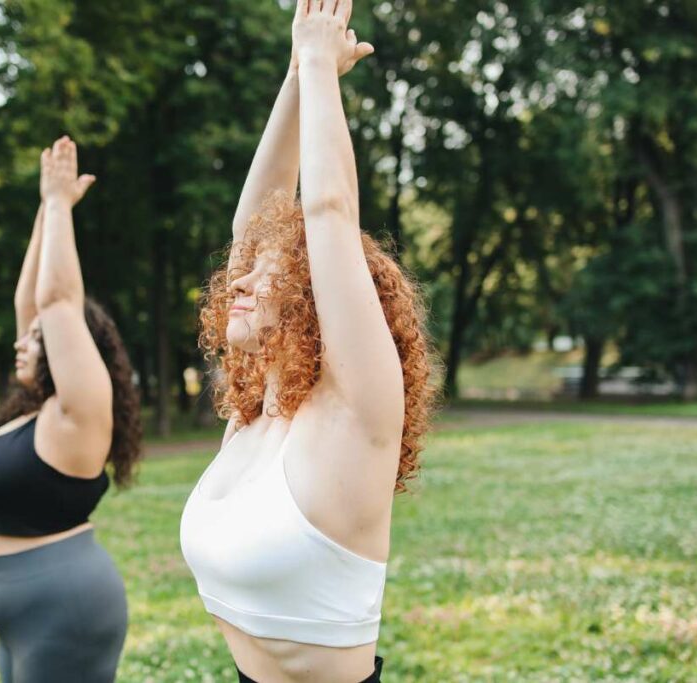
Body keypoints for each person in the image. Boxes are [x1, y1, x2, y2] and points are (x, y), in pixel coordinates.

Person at [180, 2, 438, 681]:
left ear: (318, 302)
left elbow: (328, 212)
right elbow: (250, 225)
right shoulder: (256, 412)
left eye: (271, 276)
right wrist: (297, 74)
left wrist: (322, 66)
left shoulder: (355, 415)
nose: (240, 279)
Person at [0, 136, 141, 682]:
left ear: (72, 350)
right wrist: (47, 208)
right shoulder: (33, 410)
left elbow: (55, 300)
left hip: (63, 611)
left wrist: (61, 205)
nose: (22, 340)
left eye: (38, 338)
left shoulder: (79, 414)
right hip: (16, 613)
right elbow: (30, 300)